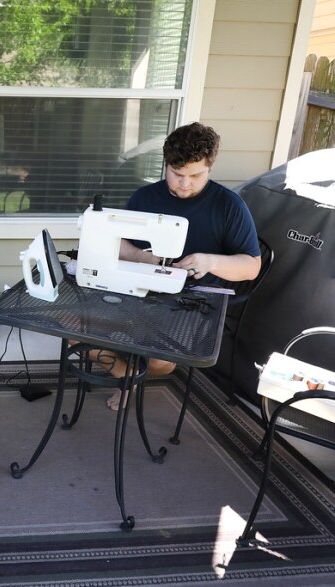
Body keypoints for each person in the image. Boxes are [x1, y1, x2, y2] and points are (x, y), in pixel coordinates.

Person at [88, 122, 261, 410]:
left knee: (161, 361)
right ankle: (128, 375)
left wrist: (210, 261)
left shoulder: (229, 206)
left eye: (195, 175)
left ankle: (130, 375)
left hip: (194, 301)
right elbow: (116, 243)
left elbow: (250, 267)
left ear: (211, 167)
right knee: (72, 333)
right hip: (140, 290)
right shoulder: (145, 197)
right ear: (166, 165)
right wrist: (146, 258)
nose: (185, 184)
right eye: (177, 174)